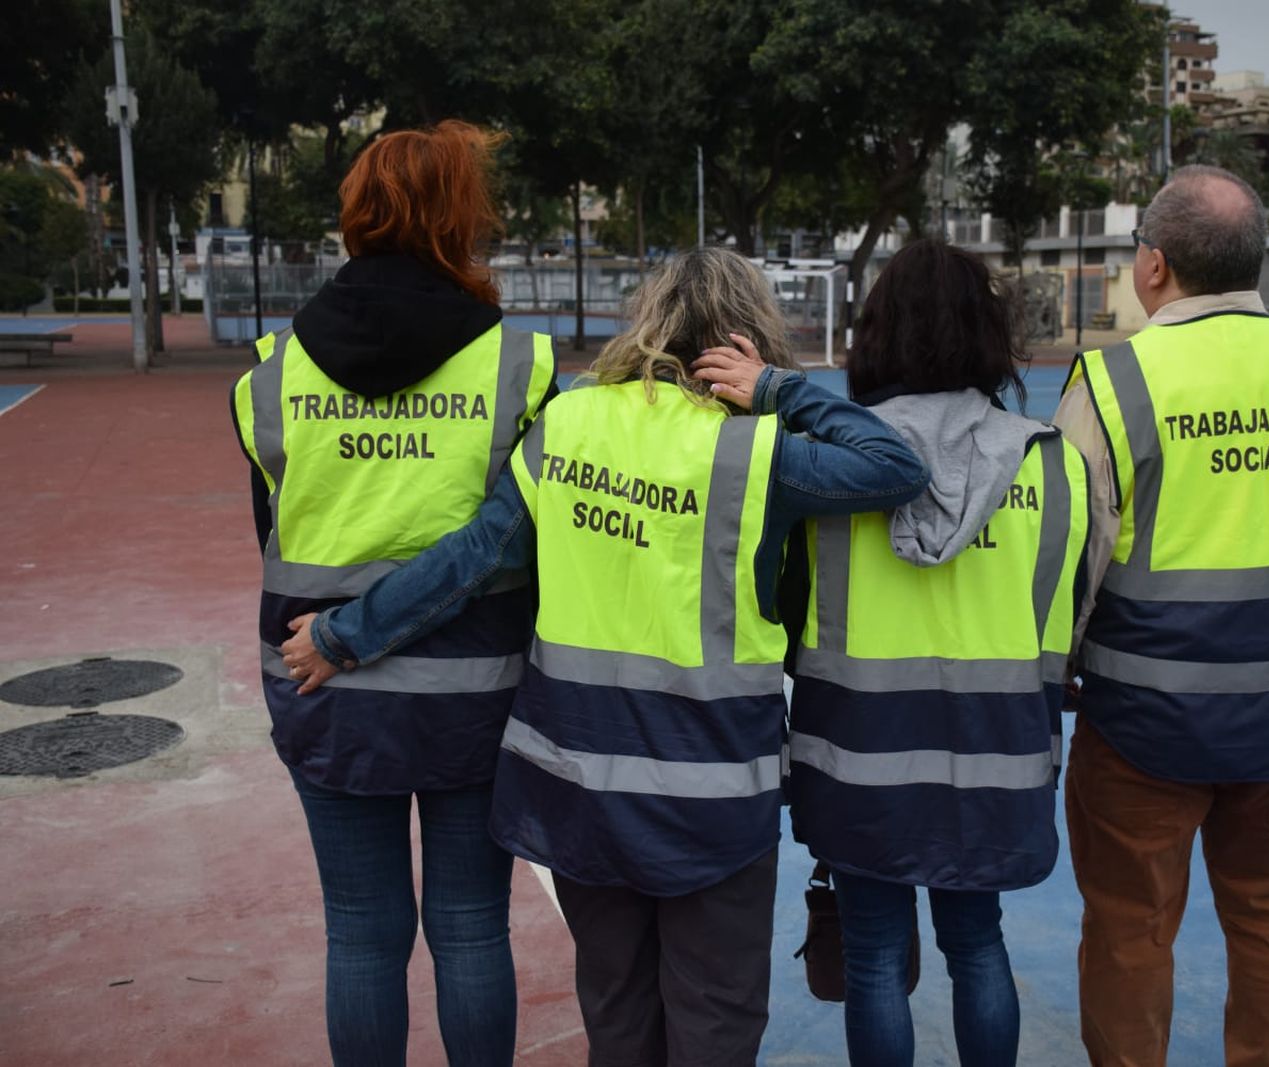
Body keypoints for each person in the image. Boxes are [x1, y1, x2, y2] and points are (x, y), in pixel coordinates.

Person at [278, 247, 931, 1066]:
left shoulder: (571, 423)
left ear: (647, 322)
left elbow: (476, 555)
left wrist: (344, 634)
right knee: (716, 1020)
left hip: (578, 785)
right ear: (748, 337)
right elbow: (897, 467)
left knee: (618, 1017)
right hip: (713, 791)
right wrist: (778, 389)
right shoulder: (756, 451)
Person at [1053, 165, 1269, 1067]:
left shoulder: (1115, 379)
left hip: (1139, 718)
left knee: (1132, 922)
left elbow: (1071, 559)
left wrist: (1064, 664)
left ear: (1156, 265)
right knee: (1268, 907)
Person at [230, 119, 557, 1067]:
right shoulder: (516, 365)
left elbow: (274, 529)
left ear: (355, 214)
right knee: (469, 928)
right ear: (461, 219)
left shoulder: (269, 373)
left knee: (363, 933)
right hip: (475, 690)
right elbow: (519, 542)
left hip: (319, 684)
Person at [784, 240, 1091, 1067]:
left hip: (859, 758)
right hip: (996, 757)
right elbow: (1074, 615)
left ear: (876, 335)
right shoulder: (1050, 464)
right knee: (978, 943)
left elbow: (783, 610)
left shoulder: (830, 470)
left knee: (877, 956)